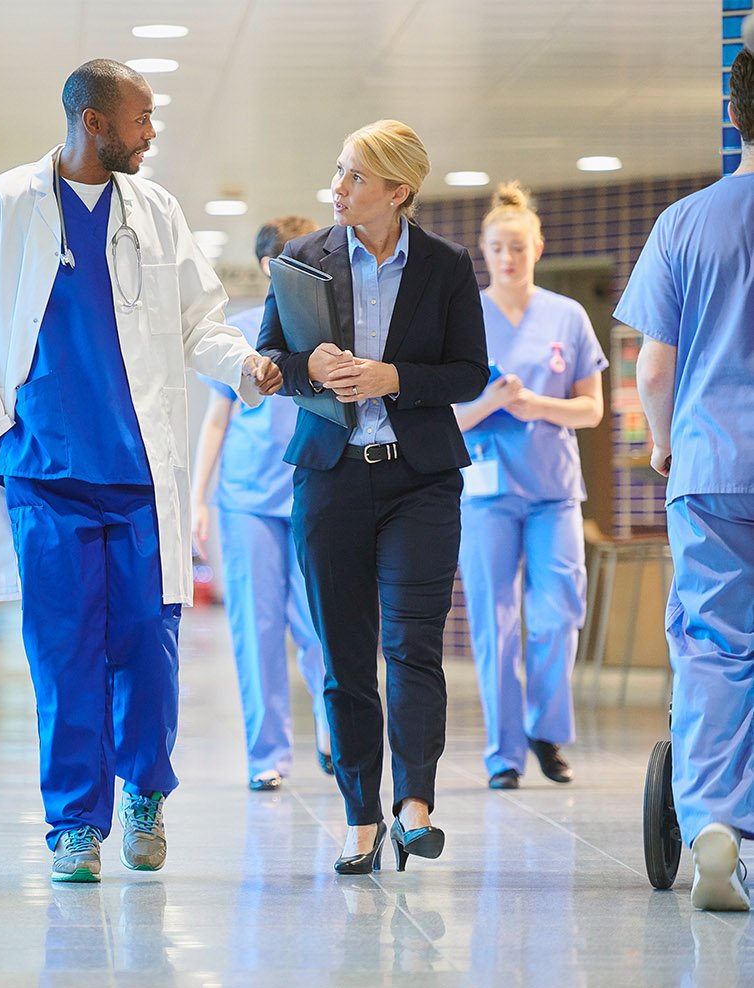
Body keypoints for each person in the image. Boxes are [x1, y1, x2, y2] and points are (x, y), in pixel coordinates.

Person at [0, 58, 282, 883]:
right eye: (141, 117)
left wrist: (246, 368)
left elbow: (201, 323)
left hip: (136, 479)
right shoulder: (7, 205)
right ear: (94, 120)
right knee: (64, 657)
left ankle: (145, 793)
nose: (151, 131)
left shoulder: (156, 212)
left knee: (148, 655)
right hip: (45, 479)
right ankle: (72, 827)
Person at [256, 120, 488, 875]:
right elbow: (268, 360)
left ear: (399, 190)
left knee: (412, 644)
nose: (339, 188)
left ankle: (413, 804)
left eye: (356, 177)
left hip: (420, 479)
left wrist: (396, 379)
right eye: (338, 171)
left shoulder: (447, 267)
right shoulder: (300, 260)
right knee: (345, 656)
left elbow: (469, 374)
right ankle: (362, 815)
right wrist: (306, 366)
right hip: (330, 479)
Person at [615, 48, 754, 913]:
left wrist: (665, 445)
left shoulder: (686, 222)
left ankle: (713, 825)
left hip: (709, 469)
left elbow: (654, 368)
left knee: (712, 645)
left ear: (736, 118)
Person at [452, 183, 606, 792]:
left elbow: (590, 410)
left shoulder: (566, 315)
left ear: (537, 246)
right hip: (486, 493)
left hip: (554, 492)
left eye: (518, 246)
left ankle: (547, 728)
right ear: (483, 252)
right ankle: (503, 753)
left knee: (556, 615)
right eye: (496, 248)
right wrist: (489, 401)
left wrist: (535, 402)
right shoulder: (466, 319)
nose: (508, 258)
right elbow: (443, 417)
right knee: (496, 622)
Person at [190, 214, 330, 792]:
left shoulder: (329, 330)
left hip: (315, 494)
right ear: (272, 266)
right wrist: (198, 499)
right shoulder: (240, 333)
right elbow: (217, 421)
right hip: (247, 500)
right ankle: (266, 755)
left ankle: (334, 734)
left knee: (322, 625)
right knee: (257, 627)